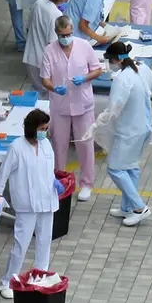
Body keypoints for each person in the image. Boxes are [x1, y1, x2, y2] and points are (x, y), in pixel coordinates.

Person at [0, 109, 63, 299]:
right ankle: (8, 281)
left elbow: (48, 167)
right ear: (32, 128)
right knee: (21, 244)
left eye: (46, 128)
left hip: (47, 201)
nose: (45, 132)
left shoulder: (46, 144)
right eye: (42, 128)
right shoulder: (16, 148)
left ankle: (40, 275)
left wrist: (54, 181)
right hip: (26, 204)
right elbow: (1, 177)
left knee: (45, 242)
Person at [79, 42, 152, 226]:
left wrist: (94, 126)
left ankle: (139, 207)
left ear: (115, 60)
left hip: (130, 131)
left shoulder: (122, 80)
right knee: (130, 167)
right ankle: (127, 207)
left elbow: (112, 110)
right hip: (144, 127)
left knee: (115, 168)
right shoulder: (141, 67)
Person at [40, 15, 103, 202]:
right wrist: (54, 88)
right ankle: (61, 181)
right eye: (61, 35)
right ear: (56, 34)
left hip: (83, 103)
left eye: (68, 34)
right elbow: (45, 79)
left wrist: (85, 78)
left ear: (72, 30)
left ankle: (86, 184)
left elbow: (97, 69)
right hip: (60, 106)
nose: (65, 38)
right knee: (59, 145)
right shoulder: (49, 51)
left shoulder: (84, 46)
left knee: (85, 144)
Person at [23, 0, 76, 99]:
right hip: (43, 61)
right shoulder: (56, 14)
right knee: (49, 95)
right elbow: (53, 43)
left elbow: (28, 27)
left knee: (36, 90)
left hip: (30, 57)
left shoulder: (39, 3)